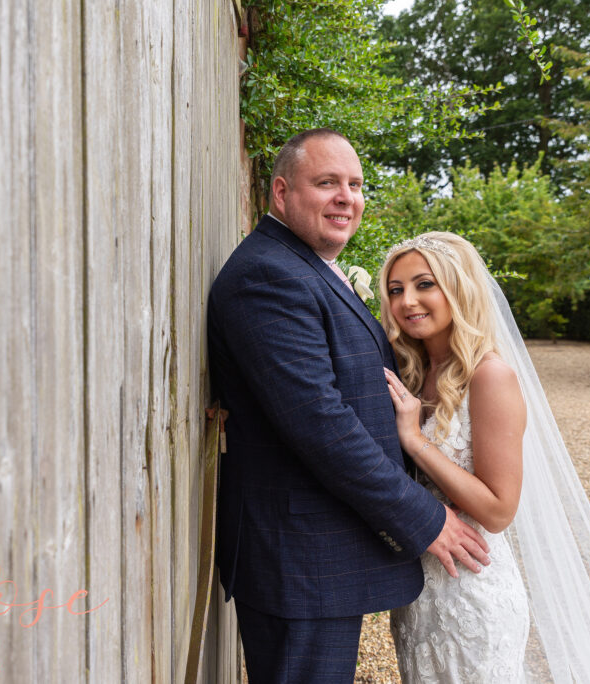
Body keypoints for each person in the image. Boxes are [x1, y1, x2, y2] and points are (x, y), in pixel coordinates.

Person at [206, 129, 490, 684]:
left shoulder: (302, 267)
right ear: (281, 193)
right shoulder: (269, 277)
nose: (347, 197)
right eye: (327, 182)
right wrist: (423, 517)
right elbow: (322, 424)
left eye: (356, 185)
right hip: (300, 560)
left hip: (321, 552)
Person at [380, 231, 590, 683]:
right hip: (418, 591)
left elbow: (499, 508)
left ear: (458, 287)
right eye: (395, 289)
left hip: (470, 590)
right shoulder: (413, 371)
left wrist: (414, 439)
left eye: (424, 284)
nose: (407, 301)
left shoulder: (490, 377)